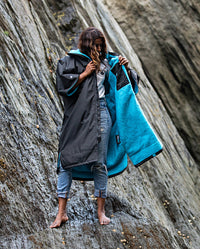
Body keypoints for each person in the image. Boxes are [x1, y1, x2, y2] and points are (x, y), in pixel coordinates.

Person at [50, 27, 162, 228]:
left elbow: (127, 86)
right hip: (77, 117)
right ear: (86, 43)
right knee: (65, 161)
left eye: (101, 45)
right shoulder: (70, 61)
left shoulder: (108, 62)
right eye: (96, 44)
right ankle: (61, 214)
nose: (100, 48)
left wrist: (126, 68)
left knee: (99, 163)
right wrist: (84, 73)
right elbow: (62, 85)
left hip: (101, 114)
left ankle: (101, 213)